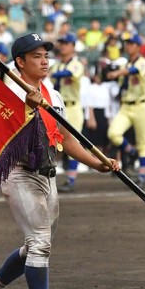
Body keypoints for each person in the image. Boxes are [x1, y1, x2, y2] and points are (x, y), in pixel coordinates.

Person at [0, 33, 119, 289]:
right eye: (37, 56)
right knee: (40, 242)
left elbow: (65, 138)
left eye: (46, 56)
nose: (44, 61)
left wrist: (97, 162)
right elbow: (2, 134)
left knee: (34, 245)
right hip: (19, 174)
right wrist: (26, 106)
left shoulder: (53, 95)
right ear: (20, 62)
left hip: (48, 176)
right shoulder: (6, 94)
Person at [106, 34, 145, 186]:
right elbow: (123, 84)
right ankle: (132, 153)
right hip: (126, 106)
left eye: (132, 43)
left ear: (138, 46)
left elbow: (134, 71)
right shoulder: (125, 65)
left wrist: (118, 72)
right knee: (113, 134)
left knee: (144, 143)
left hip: (141, 106)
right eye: (127, 43)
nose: (129, 46)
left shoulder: (143, 62)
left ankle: (142, 176)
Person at [49, 33, 85, 192]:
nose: (62, 45)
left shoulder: (76, 64)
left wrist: (50, 73)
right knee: (50, 142)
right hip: (57, 107)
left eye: (66, 43)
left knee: (73, 144)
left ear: (73, 46)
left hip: (73, 108)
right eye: (61, 43)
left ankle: (70, 180)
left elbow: (69, 74)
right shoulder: (56, 65)